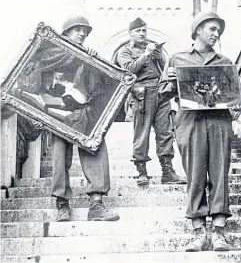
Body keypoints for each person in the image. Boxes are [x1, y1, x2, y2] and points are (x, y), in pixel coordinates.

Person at [159, 11, 241, 252]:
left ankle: (219, 231)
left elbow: (237, 94)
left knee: (219, 174)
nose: (216, 34)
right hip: (190, 123)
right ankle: (199, 232)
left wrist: (238, 100)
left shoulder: (225, 62)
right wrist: (172, 82)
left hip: (219, 122)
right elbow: (162, 93)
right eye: (212, 29)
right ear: (197, 30)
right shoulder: (177, 59)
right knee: (195, 176)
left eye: (218, 31)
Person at [41, 16, 119, 222]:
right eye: (78, 30)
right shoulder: (50, 56)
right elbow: (38, 85)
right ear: (65, 33)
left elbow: (102, 86)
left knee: (95, 149)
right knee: (59, 158)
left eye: (85, 31)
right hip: (58, 114)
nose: (83, 34)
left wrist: (94, 61)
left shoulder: (87, 57)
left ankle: (96, 204)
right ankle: (62, 205)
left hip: (85, 113)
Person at [116, 17, 186, 186]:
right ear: (130, 34)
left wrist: (159, 57)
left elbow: (165, 69)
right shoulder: (125, 51)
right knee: (142, 134)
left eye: (144, 30)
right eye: (138, 31)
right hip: (141, 94)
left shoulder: (154, 50)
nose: (142, 33)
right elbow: (128, 71)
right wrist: (146, 54)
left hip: (161, 93)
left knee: (165, 133)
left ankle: (168, 172)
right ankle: (142, 172)